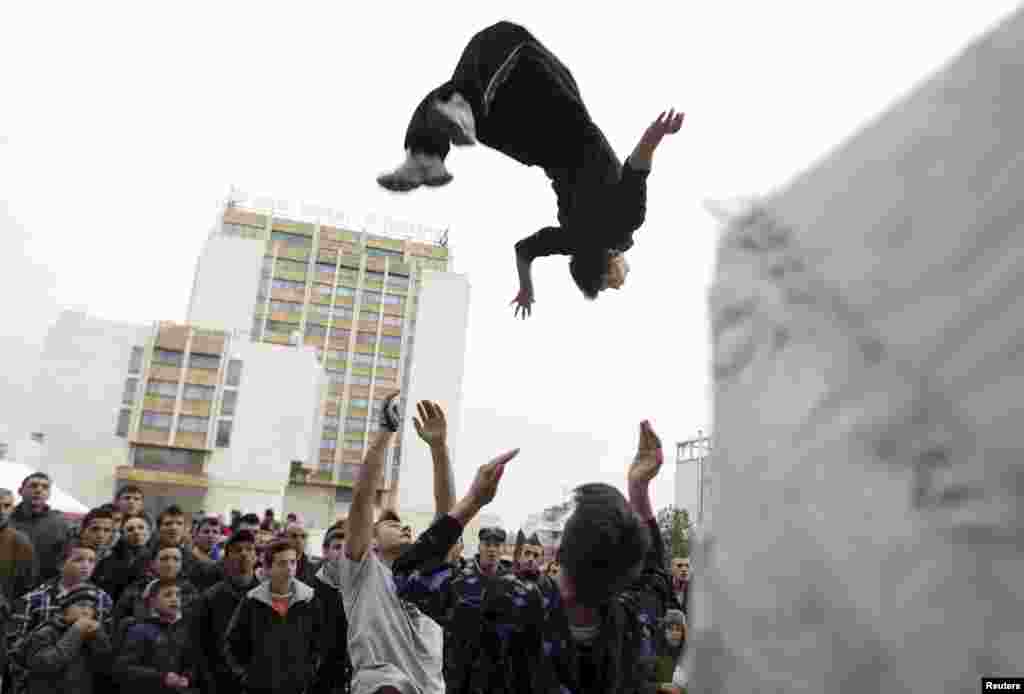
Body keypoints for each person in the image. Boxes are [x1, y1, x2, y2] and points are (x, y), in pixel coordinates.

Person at [376, 21, 685, 315]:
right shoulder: (575, 239)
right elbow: (524, 251)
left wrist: (656, 134)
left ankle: (431, 146)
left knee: (502, 43)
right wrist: (526, 288)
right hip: (527, 143)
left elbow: (636, 167)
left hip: (554, 109)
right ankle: (426, 155)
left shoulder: (623, 222)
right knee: (460, 95)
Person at [342, 389, 518, 694]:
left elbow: (449, 516)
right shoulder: (362, 571)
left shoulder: (429, 573)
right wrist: (385, 434)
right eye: (392, 523)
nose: (405, 527)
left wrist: (438, 447)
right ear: (372, 539)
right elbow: (361, 499)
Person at [223, 539, 322, 694]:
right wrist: (245, 675)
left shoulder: (309, 599)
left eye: (293, 562)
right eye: (282, 563)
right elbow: (232, 643)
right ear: (268, 568)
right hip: (258, 688)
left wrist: (308, 674)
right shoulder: (252, 600)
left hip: (298, 688)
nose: (289, 569)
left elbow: (319, 642)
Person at [192, 530, 259, 694]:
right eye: (237, 550)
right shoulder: (210, 598)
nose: (244, 554)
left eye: (249, 549)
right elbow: (201, 648)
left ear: (257, 557)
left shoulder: (266, 595)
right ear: (226, 558)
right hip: (220, 682)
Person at [19, 586, 113, 694]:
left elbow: (105, 668)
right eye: (81, 605)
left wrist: (99, 636)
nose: (86, 611)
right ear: (65, 610)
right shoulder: (46, 632)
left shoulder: (92, 634)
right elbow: (45, 665)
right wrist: (76, 632)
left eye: (91, 607)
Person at [114, 580, 198, 694]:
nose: (174, 599)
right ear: (153, 602)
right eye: (167, 595)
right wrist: (162, 677)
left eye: (178, 595)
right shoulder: (140, 630)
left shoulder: (189, 629)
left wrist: (188, 677)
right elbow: (125, 669)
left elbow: (196, 663)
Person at [111, 546, 199, 633]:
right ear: (153, 564)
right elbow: (118, 621)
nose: (170, 564)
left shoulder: (190, 590)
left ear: (181, 564)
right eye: (164, 559)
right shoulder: (137, 589)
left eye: (176, 559)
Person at [310, 526, 350, 694]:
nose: (342, 553)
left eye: (346, 548)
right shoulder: (311, 587)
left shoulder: (354, 587)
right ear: (325, 551)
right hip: (317, 670)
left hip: (345, 669)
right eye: (336, 547)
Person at [10, 473, 70, 583]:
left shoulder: (60, 524)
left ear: (49, 494)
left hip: (43, 588)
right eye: (33, 486)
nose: (38, 490)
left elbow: (65, 560)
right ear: (20, 491)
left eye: (45, 487)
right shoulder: (7, 520)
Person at [93, 512, 152, 604]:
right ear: (123, 535)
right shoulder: (109, 559)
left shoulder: (157, 556)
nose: (136, 532)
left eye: (141, 527)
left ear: (148, 531)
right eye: (130, 529)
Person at [0, 489, 37, 604]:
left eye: (6, 506)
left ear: (12, 509)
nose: (1, 511)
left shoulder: (21, 541)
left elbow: (28, 585)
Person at [654, 609, 687, 694]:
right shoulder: (655, 657)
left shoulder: (686, 658)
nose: (674, 633)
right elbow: (639, 685)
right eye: (671, 629)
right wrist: (662, 686)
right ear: (664, 632)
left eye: (678, 629)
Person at [189, 517, 225, 591]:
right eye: (206, 532)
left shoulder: (224, 557)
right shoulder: (188, 556)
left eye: (215, 532)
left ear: (220, 536)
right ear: (197, 535)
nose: (210, 536)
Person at [283, 522, 319, 586]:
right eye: (294, 536)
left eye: (303, 536)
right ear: (285, 538)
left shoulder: (313, 569)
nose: (299, 540)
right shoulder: (276, 563)